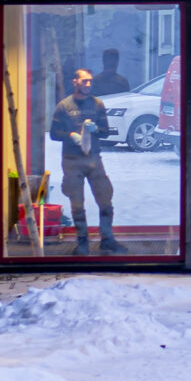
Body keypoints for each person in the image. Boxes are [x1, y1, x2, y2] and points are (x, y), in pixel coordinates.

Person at [49, 67, 126, 254]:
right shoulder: (64, 106)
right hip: (72, 160)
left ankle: (107, 239)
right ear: (75, 82)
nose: (89, 84)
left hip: (93, 159)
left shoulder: (98, 104)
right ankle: (82, 242)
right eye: (85, 81)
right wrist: (70, 135)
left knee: (105, 198)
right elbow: (53, 134)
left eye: (91, 81)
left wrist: (96, 130)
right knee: (77, 202)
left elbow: (106, 131)